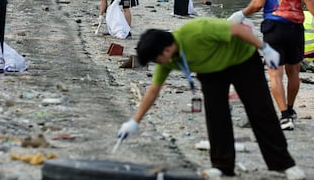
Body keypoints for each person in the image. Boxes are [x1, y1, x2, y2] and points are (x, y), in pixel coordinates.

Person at [117, 17, 306, 180]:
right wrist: (134, 121)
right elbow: (153, 90)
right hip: (211, 71)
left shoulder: (197, 31)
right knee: (216, 116)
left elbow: (237, 28)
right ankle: (222, 166)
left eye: (155, 60)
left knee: (260, 110)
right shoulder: (169, 60)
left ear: (164, 51)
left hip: (242, 60)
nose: (157, 64)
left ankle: (284, 164)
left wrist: (264, 48)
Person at [228, 0, 314, 131]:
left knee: (275, 73)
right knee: (294, 73)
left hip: (273, 29)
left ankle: (284, 116)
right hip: (295, 28)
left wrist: (241, 14)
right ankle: (291, 109)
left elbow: (258, 4)